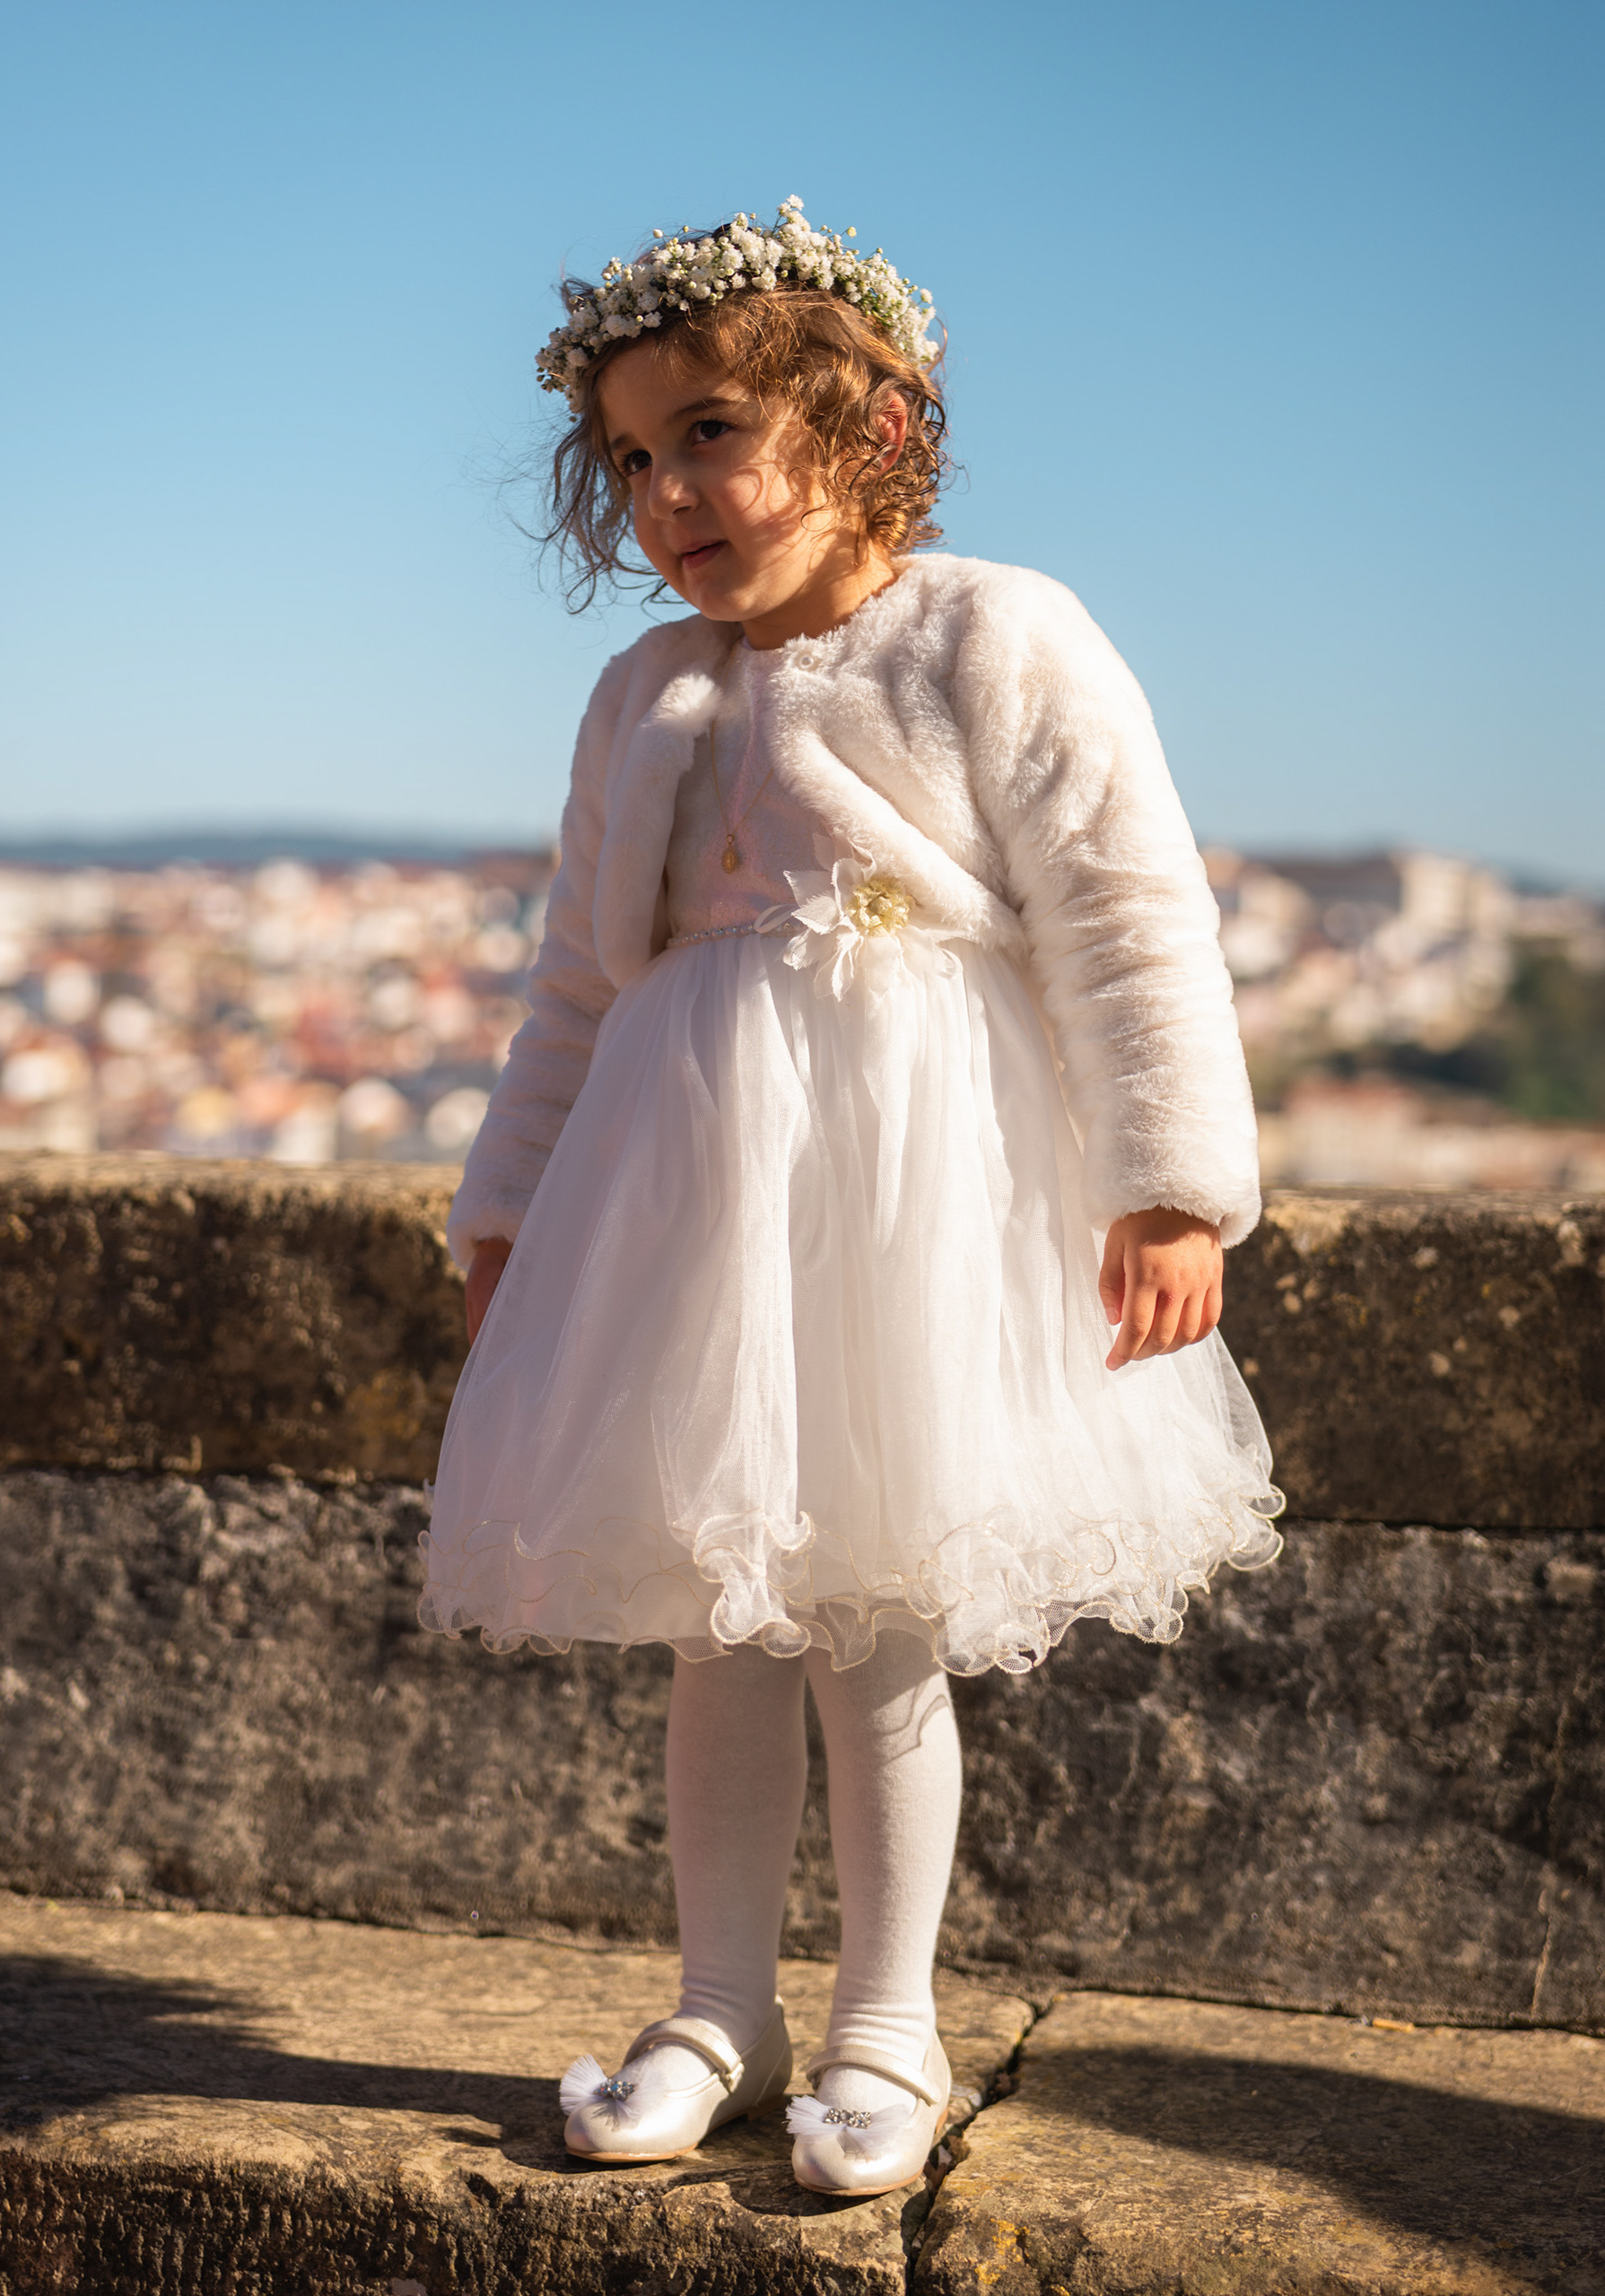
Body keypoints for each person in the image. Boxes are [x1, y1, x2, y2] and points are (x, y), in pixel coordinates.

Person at [419, 198, 1283, 2197]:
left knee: (878, 1612)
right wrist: (513, 1203)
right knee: (720, 1615)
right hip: (695, 1185)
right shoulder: (644, 693)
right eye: (633, 457)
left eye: (710, 434)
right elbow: (579, 986)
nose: (666, 493)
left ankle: (887, 2023)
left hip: (919, 1185)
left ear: (870, 425)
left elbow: (1128, 913)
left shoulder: (997, 632)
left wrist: (1173, 1184)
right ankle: (719, 2006)